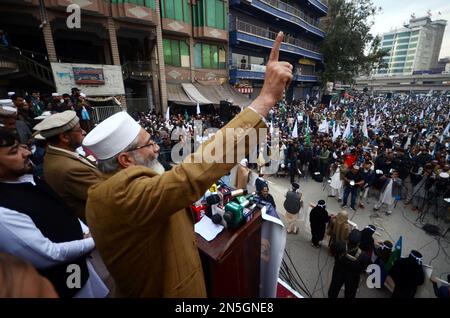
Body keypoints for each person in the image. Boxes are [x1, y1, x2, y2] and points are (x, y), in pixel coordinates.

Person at [82, 32, 292, 297]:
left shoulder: (109, 189)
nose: (157, 147)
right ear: (124, 160)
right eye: (148, 144)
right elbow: (189, 176)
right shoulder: (119, 194)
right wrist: (265, 100)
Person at [0, 128, 108, 298]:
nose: (26, 153)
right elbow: (49, 254)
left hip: (78, 269)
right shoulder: (3, 212)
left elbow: (62, 209)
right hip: (62, 286)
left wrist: (84, 232)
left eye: (21, 146)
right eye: (14, 152)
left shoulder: (29, 178)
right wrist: (93, 240)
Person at [33, 111, 102, 221]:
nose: (84, 131)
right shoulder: (69, 169)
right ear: (65, 137)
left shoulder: (57, 154)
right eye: (79, 129)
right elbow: (106, 195)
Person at [327, 229, 370, 298]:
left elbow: (331, 250)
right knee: (350, 293)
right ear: (359, 242)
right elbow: (363, 268)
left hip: (338, 271)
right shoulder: (364, 256)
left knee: (334, 289)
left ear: (348, 237)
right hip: (353, 276)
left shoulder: (339, 245)